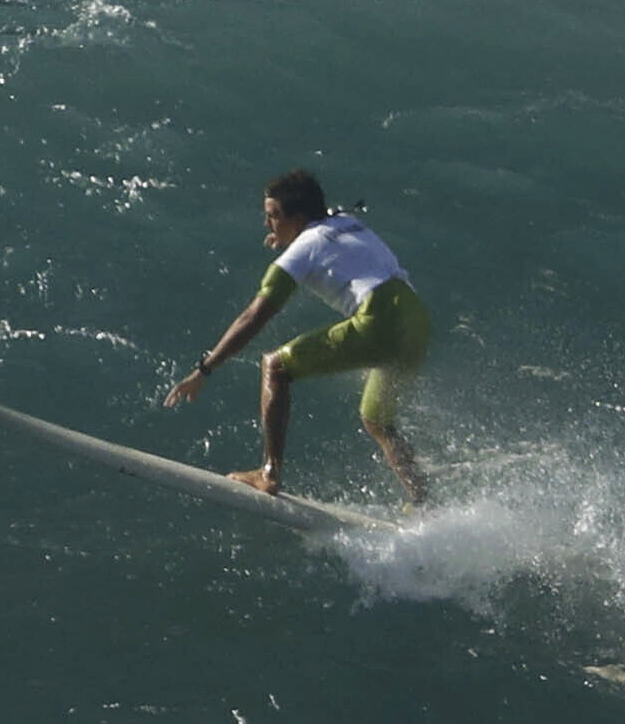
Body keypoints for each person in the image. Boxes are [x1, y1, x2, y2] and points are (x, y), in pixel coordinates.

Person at [163, 170, 432, 504]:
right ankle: (424, 500)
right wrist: (290, 236)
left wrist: (204, 369)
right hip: (416, 318)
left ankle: (269, 474)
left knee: (275, 367)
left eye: (273, 216)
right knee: (377, 419)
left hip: (379, 318)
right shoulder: (343, 221)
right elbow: (324, 221)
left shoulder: (302, 250)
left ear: (299, 218)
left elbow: (253, 317)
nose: (267, 225)